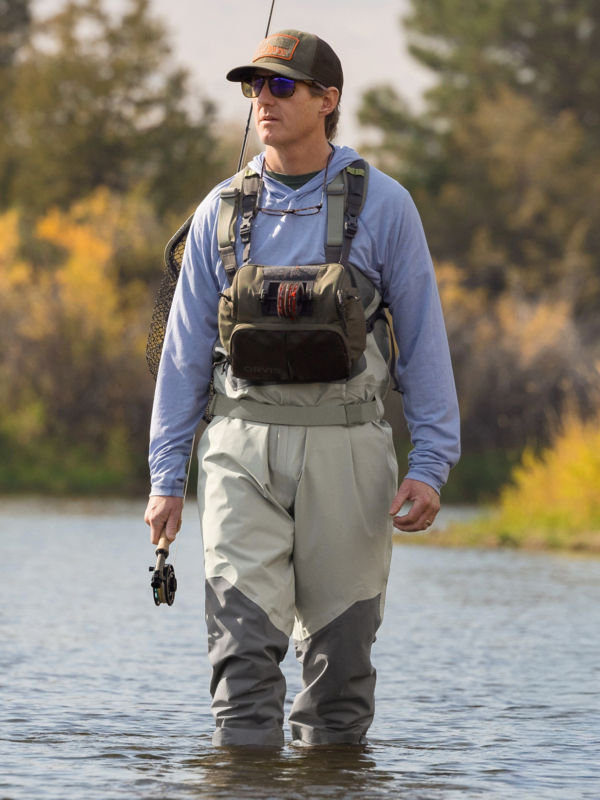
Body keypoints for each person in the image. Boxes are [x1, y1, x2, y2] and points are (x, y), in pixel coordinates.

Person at [144, 29, 460, 748]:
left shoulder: (387, 206)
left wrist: (432, 465)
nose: (263, 100)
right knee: (241, 667)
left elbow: (424, 345)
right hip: (238, 452)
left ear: (328, 101)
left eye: (281, 86)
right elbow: (183, 356)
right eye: (254, 86)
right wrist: (166, 478)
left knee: (338, 683)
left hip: (348, 453)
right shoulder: (218, 210)